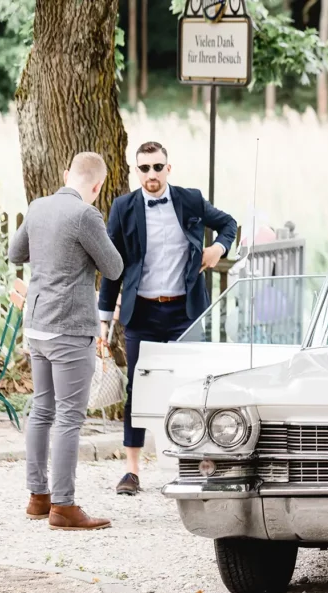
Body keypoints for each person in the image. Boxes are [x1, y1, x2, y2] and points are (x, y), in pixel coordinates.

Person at [98, 141, 237, 496]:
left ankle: (196, 466)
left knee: (195, 390)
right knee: (137, 389)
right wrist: (104, 319)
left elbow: (228, 224)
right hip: (141, 313)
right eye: (144, 169)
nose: (151, 175)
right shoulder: (123, 207)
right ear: (136, 171)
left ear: (168, 169)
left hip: (184, 313)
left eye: (157, 167)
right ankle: (131, 471)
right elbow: (113, 268)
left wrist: (217, 248)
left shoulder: (189, 200)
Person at [8, 152, 124, 530]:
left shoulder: (38, 206)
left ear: (65, 175)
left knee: (42, 410)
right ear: (97, 185)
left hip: (38, 324)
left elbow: (14, 254)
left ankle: (37, 496)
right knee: (70, 418)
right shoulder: (85, 215)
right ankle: (64, 505)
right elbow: (114, 267)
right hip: (70, 328)